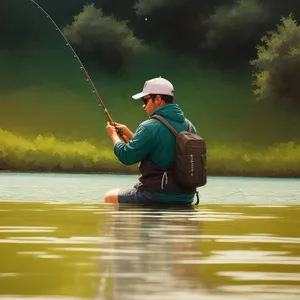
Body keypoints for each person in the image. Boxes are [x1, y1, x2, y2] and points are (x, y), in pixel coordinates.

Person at [104, 77, 198, 205]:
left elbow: (126, 157)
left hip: (156, 195)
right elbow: (162, 150)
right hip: (186, 198)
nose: (143, 105)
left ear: (158, 99)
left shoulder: (149, 126)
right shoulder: (190, 126)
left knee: (109, 197)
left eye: (145, 100)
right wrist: (132, 136)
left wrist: (114, 135)